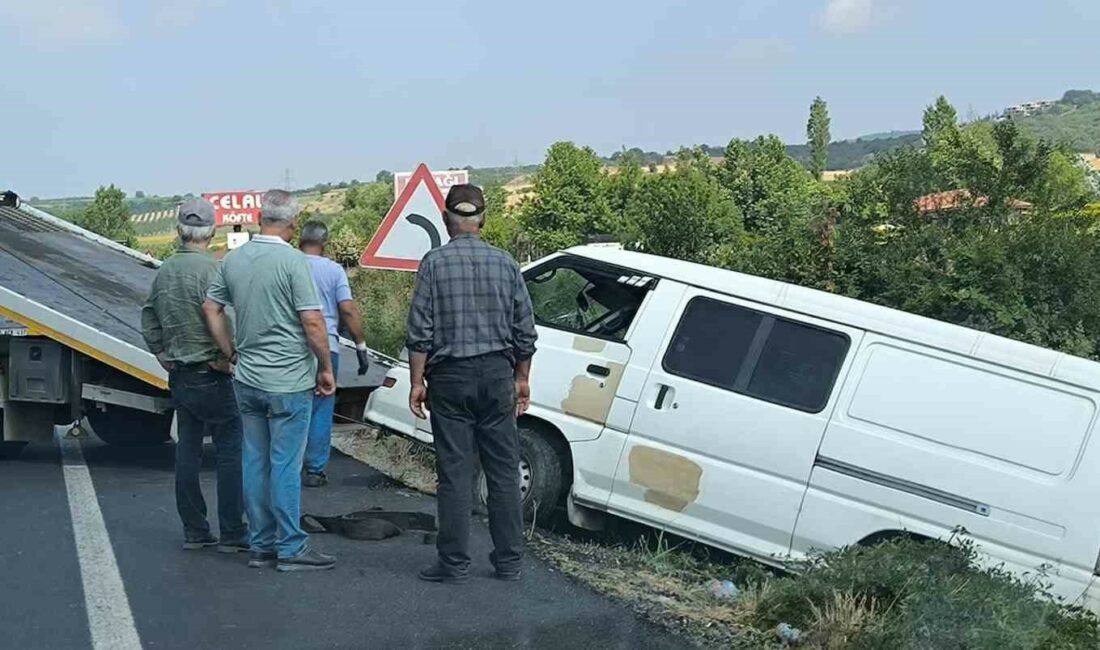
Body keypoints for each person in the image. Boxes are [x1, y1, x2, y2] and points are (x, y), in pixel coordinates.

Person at [406, 184, 538, 583]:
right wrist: (521, 378)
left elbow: (420, 330)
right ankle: (509, 562)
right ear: (483, 219)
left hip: (450, 379)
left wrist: (416, 382)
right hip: (497, 377)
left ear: (446, 219)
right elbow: (525, 331)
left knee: (455, 473)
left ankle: (453, 563)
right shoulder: (507, 263)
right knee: (503, 472)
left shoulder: (433, 263)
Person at [202, 190, 337, 572]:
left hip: (247, 379)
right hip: (289, 381)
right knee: (285, 465)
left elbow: (211, 308)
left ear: (261, 218)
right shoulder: (294, 262)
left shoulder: (234, 259)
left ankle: (261, 544)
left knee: (255, 461)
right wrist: (325, 367)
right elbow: (313, 322)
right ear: (293, 224)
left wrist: (230, 351)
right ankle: (291, 546)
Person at [140, 198, 246, 552]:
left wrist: (162, 354)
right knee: (230, 449)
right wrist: (228, 355)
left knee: (187, 450)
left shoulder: (165, 270)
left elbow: (149, 316)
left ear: (178, 231)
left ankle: (195, 530)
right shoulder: (213, 271)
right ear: (212, 231)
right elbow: (223, 317)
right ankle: (233, 531)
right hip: (212, 372)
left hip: (181, 375)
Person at [297, 220, 372, 487]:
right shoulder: (333, 270)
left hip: (293, 348)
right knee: (321, 407)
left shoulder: (288, 265)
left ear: (300, 240)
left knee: (294, 406)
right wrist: (360, 345)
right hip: (327, 346)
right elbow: (348, 310)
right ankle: (315, 470)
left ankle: (288, 466)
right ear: (325, 243)